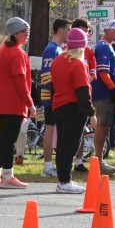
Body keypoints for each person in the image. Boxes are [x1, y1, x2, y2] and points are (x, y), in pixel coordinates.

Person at [0, 17, 36, 188]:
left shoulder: (2, 49)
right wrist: (30, 103)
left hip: (2, 101)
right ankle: (8, 176)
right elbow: (21, 81)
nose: (27, 35)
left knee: (3, 139)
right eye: (25, 32)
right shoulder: (17, 53)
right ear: (16, 33)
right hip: (14, 103)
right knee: (9, 141)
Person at [50, 28, 95, 193]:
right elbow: (82, 91)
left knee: (62, 145)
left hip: (58, 105)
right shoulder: (78, 64)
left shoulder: (58, 61)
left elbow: (53, 85)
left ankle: (62, 179)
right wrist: (91, 113)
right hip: (73, 107)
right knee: (70, 146)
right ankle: (65, 181)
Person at [90, 20, 115, 173]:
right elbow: (103, 72)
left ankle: (99, 158)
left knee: (104, 126)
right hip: (103, 92)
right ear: (107, 30)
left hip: (105, 92)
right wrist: (113, 89)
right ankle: (98, 160)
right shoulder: (103, 46)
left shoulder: (106, 46)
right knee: (102, 125)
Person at [39, 18, 72, 177]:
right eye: (68, 29)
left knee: (57, 130)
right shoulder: (51, 49)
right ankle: (47, 166)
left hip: (58, 96)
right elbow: (46, 75)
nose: (70, 33)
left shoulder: (59, 49)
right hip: (51, 97)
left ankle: (56, 164)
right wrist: (57, 92)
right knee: (50, 129)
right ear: (60, 30)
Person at [70, 18, 97, 172]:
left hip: (84, 94)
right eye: (83, 31)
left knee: (81, 130)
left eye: (87, 31)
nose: (85, 34)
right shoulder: (67, 50)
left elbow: (93, 72)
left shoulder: (89, 51)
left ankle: (79, 161)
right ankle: (64, 163)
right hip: (70, 96)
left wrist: (84, 82)